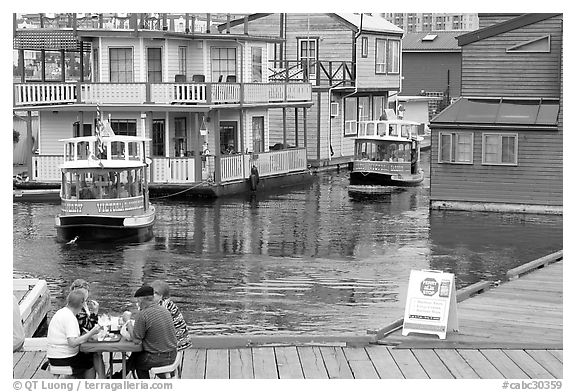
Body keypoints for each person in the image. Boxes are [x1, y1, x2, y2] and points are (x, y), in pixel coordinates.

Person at [117, 285, 177, 379]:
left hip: (159, 358)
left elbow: (136, 340)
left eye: (138, 301)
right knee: (136, 356)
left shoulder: (143, 314)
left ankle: (128, 379)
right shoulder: (165, 311)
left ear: (141, 300)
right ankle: (120, 376)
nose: (138, 303)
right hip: (173, 354)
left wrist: (128, 321)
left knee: (137, 362)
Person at [47, 289, 101, 378]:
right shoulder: (70, 318)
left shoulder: (62, 312)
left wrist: (86, 336)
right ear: (82, 304)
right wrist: (91, 333)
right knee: (89, 363)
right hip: (63, 358)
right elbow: (72, 343)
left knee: (86, 357)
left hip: (53, 355)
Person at [69, 279, 105, 378]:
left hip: (81, 340)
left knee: (96, 353)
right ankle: (102, 379)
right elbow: (89, 326)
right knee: (96, 354)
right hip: (76, 345)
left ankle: (102, 379)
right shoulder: (77, 307)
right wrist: (95, 312)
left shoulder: (81, 305)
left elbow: (89, 325)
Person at [150, 280, 192, 350]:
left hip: (175, 345)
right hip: (179, 341)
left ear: (162, 296)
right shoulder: (165, 304)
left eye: (156, 293)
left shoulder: (163, 307)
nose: (152, 295)